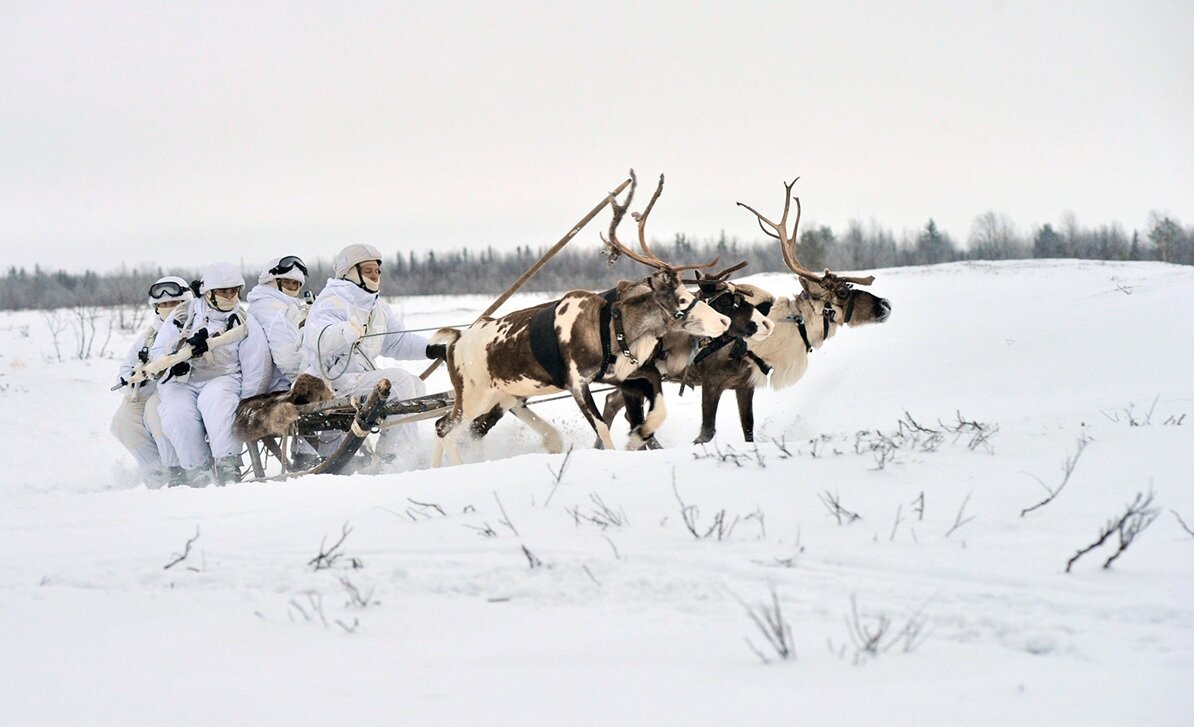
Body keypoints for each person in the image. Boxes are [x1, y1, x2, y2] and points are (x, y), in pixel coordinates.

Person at [302, 244, 431, 469]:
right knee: (399, 381)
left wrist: (433, 350)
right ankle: (391, 458)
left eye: (377, 271)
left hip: (361, 379)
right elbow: (318, 338)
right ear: (351, 272)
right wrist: (345, 332)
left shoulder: (376, 306)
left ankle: (404, 452)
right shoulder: (331, 300)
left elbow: (398, 341)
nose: (375, 275)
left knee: (415, 384)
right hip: (332, 382)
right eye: (368, 270)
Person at [152, 263, 272, 485]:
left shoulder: (244, 321)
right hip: (182, 382)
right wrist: (175, 360)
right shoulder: (181, 315)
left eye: (233, 290)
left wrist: (248, 399)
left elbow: (258, 364)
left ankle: (228, 466)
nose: (229, 295)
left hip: (222, 377)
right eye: (222, 291)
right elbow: (159, 352)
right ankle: (197, 471)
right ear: (208, 292)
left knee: (218, 404)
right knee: (177, 414)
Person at [110, 275, 191, 487]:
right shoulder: (150, 335)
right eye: (163, 304)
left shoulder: (195, 325)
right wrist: (135, 379)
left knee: (155, 412)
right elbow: (125, 371)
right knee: (123, 421)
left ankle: (177, 470)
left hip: (182, 389)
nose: (169, 308)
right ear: (155, 307)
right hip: (149, 391)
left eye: (174, 303)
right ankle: (155, 473)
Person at [247, 255, 310, 393]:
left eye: (295, 284)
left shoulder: (267, 303)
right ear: (273, 281)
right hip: (279, 387)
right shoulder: (273, 309)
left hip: (277, 383)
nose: (292, 287)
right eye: (287, 282)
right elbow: (287, 358)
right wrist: (308, 386)